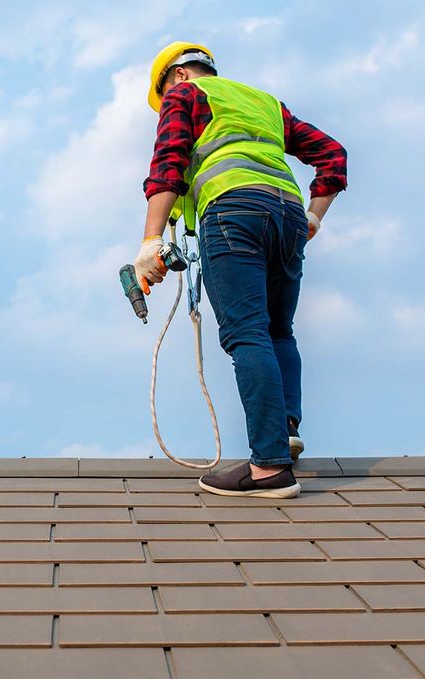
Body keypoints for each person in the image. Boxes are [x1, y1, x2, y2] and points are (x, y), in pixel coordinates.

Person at [136, 41, 347, 498]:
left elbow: (169, 165)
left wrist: (150, 240)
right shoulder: (266, 104)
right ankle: (284, 431)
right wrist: (314, 215)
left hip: (233, 212)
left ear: (177, 77)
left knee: (246, 333)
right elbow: (333, 154)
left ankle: (269, 468)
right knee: (278, 331)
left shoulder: (185, 96)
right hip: (288, 214)